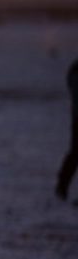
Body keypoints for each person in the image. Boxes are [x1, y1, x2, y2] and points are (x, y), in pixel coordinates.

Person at [55, 58, 78, 201]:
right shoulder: (76, 71)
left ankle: (62, 187)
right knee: (75, 154)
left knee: (74, 154)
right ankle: (61, 188)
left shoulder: (74, 70)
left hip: (76, 118)